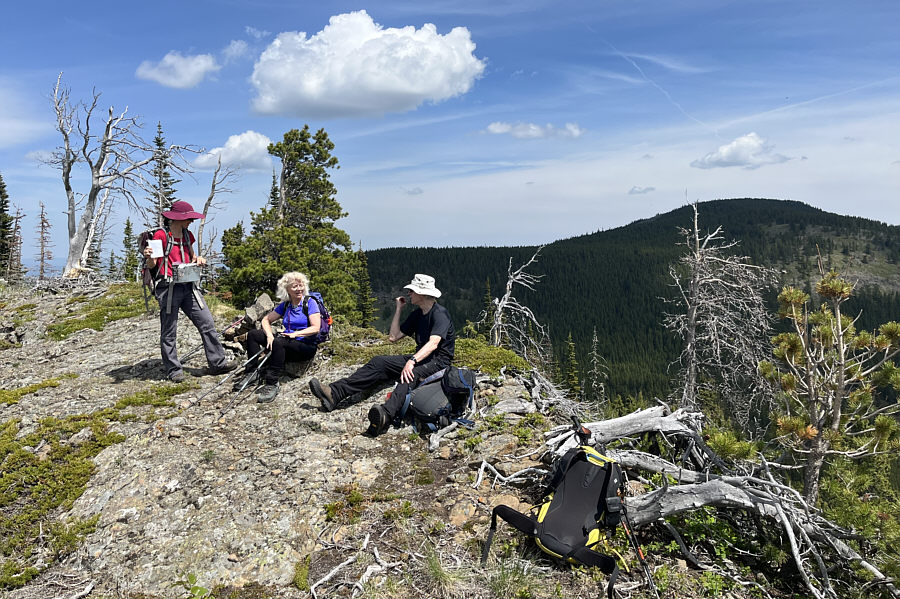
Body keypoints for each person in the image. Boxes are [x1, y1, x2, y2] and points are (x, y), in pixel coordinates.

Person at [309, 273, 455, 436]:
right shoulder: (418, 314)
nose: (409, 294)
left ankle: (386, 414)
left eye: (412, 291)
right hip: (422, 358)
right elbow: (393, 337)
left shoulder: (440, 314)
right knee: (380, 362)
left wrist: (412, 361)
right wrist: (399, 309)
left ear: (421, 293)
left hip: (439, 362)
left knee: (410, 374)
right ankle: (335, 393)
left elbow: (433, 343)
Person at [141, 200, 237, 383]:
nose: (191, 221)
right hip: (167, 288)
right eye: (188, 218)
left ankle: (217, 363)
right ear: (177, 219)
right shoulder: (160, 236)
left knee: (207, 322)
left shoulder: (187, 235)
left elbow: (191, 257)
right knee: (169, 330)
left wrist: (198, 260)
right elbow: (153, 264)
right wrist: (148, 257)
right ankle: (173, 370)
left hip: (188, 286)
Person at [240, 271, 321, 403]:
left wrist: (295, 334)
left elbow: (315, 327)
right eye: (294, 286)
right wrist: (269, 336)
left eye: (301, 285)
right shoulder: (286, 305)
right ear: (287, 289)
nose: (299, 289)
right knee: (254, 334)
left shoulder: (310, 303)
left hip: (305, 346)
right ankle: (252, 372)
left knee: (279, 342)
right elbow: (266, 320)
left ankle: (272, 383)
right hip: (286, 342)